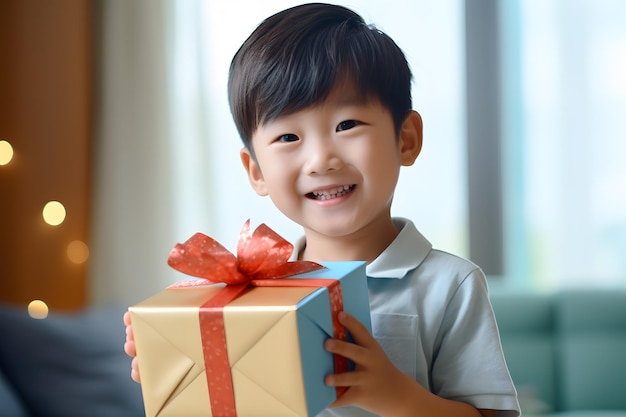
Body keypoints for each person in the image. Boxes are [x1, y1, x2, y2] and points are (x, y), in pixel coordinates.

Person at [124, 3, 520, 416]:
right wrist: (176, 362)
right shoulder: (249, 295)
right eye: (288, 136)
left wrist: (397, 395)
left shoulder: (449, 285)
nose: (321, 160)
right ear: (255, 170)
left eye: (347, 125)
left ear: (405, 139)